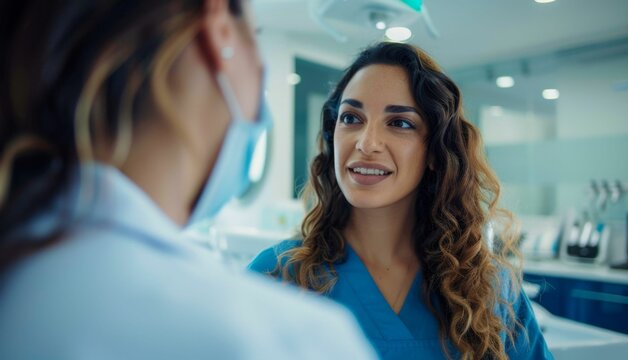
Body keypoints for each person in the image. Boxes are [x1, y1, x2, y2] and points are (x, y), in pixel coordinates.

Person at [0, 1, 377, 359]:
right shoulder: (292, 341)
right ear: (219, 29)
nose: (368, 144)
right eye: (256, 33)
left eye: (401, 123)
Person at [249, 42, 554, 360]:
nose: (366, 143)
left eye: (400, 123)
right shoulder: (276, 276)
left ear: (435, 152)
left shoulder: (489, 289)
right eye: (351, 118)